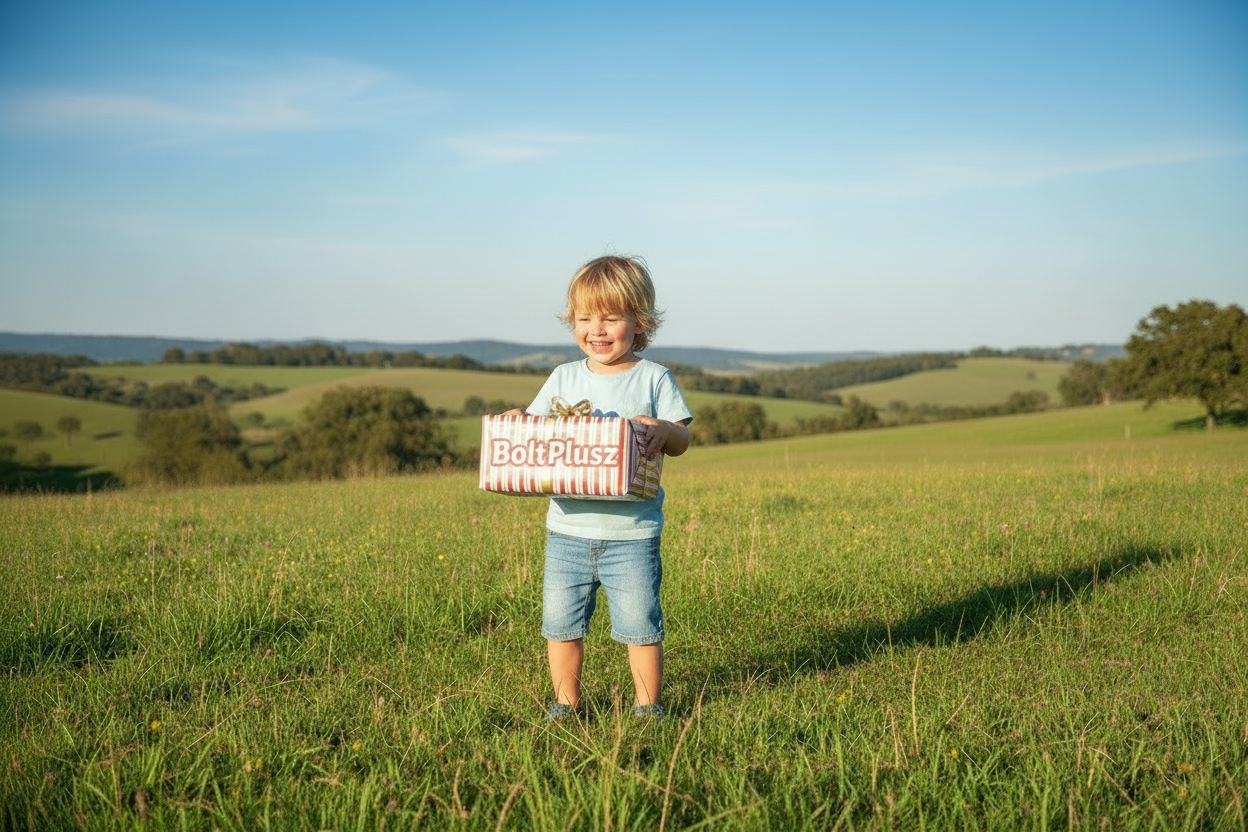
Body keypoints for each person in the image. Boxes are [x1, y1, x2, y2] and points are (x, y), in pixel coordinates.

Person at [506, 255, 692, 721]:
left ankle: (648, 707)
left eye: (611, 317)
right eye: (585, 318)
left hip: (632, 533)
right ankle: (565, 703)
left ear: (640, 321)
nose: (597, 329)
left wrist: (663, 432)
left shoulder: (653, 378)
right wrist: (518, 422)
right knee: (561, 625)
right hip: (567, 528)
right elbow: (536, 430)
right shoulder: (564, 377)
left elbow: (683, 438)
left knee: (640, 626)